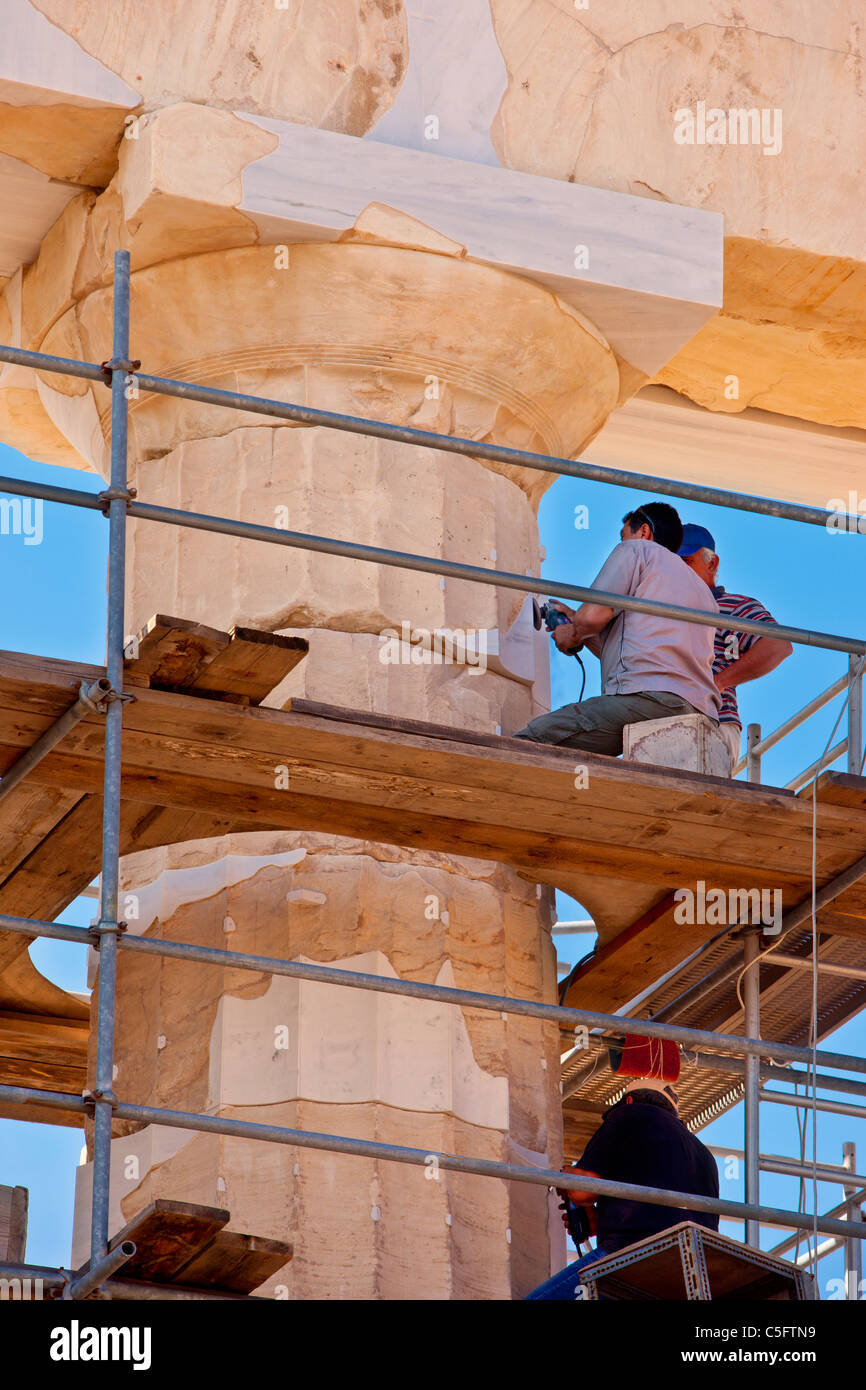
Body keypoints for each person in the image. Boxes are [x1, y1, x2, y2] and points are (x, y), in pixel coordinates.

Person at [514, 501, 721, 755]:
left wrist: (573, 633)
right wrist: (575, 621)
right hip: (700, 713)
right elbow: (640, 653)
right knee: (578, 762)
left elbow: (592, 617)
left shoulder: (638, 551)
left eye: (624, 535)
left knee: (527, 742)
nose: (622, 542)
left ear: (644, 532)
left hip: (649, 702)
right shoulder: (703, 592)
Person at [525, 1078, 720, 1300]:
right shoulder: (704, 1154)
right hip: (696, 1269)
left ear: (628, 1101)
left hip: (634, 1257)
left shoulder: (629, 1114)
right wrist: (599, 1221)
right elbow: (665, 1211)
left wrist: (569, 1179)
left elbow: (582, 1192)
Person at [678, 523, 792, 771]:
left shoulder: (732, 606)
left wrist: (717, 682)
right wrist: (579, 632)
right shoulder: (659, 610)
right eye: (672, 563)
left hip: (713, 722)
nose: (678, 570)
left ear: (712, 563)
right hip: (662, 723)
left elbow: (778, 645)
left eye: (686, 561)